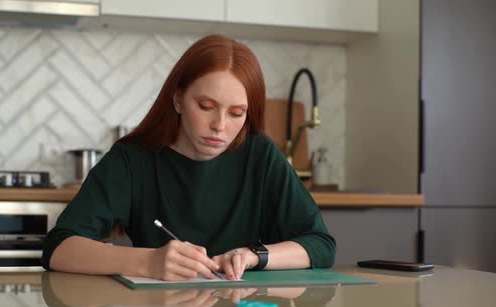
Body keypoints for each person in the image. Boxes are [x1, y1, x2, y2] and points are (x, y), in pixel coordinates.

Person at [42, 34, 336, 281]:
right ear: (178, 99)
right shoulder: (133, 159)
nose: (220, 125)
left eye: (236, 113)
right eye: (206, 106)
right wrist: (149, 262)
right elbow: (59, 247)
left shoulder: (261, 154)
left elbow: (320, 244)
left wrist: (255, 255)